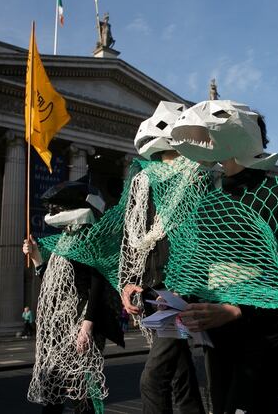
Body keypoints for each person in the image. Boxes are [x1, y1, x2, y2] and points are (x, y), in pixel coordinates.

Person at [172, 100, 278, 413]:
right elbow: (201, 261)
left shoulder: (273, 191)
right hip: (219, 331)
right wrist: (182, 298)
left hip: (261, 329)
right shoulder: (208, 197)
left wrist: (236, 309)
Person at [120, 101, 207, 414]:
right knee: (181, 374)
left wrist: (181, 289)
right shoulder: (145, 183)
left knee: (153, 378)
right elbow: (138, 239)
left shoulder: (198, 177)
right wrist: (134, 282)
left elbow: (202, 239)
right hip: (157, 292)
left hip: (180, 292)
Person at [23, 178, 125, 413]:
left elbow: (97, 283)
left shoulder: (92, 238)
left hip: (80, 321)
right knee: (53, 389)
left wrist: (86, 326)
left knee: (81, 390)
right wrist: (38, 257)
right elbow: (54, 282)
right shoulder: (64, 241)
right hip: (58, 326)